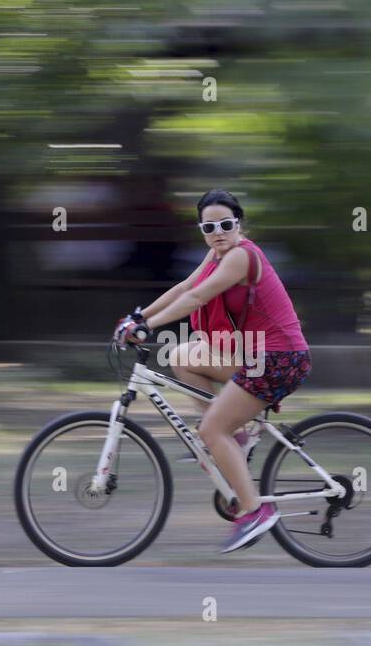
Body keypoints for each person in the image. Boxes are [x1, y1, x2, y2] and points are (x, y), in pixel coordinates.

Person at [114, 189, 311, 552]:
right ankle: (230, 442)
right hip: (254, 353)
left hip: (277, 359)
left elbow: (197, 298)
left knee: (210, 429)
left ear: (239, 224)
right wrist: (139, 317)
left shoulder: (240, 256)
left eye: (225, 224)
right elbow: (186, 285)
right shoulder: (218, 252)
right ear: (202, 229)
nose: (217, 232)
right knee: (182, 356)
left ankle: (255, 511)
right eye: (209, 227)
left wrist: (146, 328)